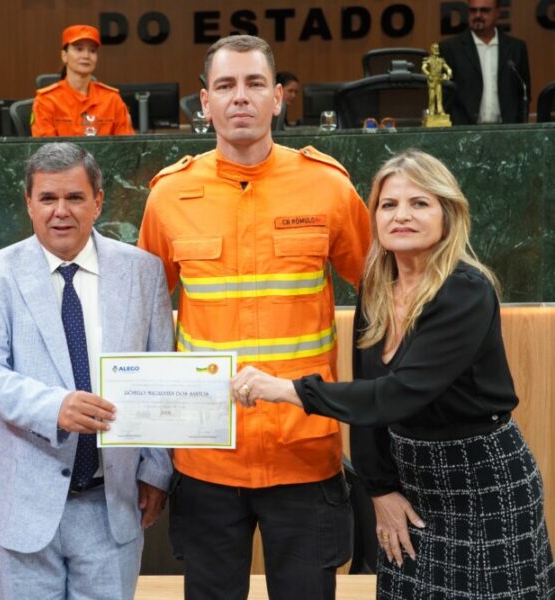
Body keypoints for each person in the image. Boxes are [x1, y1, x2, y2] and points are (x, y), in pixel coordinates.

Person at [232, 149, 555, 599]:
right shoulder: (376, 288)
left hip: (483, 482)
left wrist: (287, 390)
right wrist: (380, 490)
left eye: (419, 203)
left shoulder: (466, 290)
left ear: (448, 213)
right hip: (409, 482)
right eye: (389, 205)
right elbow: (369, 399)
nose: (401, 215)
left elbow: (397, 395)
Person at [137, 35, 371, 600]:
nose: (239, 97)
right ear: (204, 102)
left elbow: (383, 297)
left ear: (277, 99)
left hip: (305, 451)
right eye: (225, 86)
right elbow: (140, 325)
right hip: (207, 459)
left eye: (254, 84)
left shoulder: (329, 187)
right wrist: (149, 456)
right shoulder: (168, 196)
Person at [0, 142, 173, 600]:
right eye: (48, 198)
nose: (61, 211)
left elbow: (161, 374)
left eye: (74, 198)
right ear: (29, 204)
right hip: (21, 507)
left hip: (111, 504)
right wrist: (55, 406)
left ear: (98, 201)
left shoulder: (143, 272)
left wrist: (156, 470)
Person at [31, 25, 134, 137]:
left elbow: (127, 148)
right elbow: (47, 151)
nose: (86, 56)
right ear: (64, 56)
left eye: (92, 50)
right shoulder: (46, 101)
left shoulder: (112, 99)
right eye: (79, 49)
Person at [439, 0, 530, 124]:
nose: (478, 15)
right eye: (473, 10)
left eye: (484, 10)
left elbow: (524, 93)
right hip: (464, 133)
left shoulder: (516, 49)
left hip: (507, 132)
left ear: (498, 13)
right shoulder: (450, 49)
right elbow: (444, 98)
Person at [421, 43, 453, 117]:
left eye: (437, 48)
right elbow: (423, 68)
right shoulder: (429, 59)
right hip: (432, 80)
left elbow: (447, 68)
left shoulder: (441, 60)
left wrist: (449, 73)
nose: (436, 50)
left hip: (439, 80)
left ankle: (440, 111)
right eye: (435, 48)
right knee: (432, 97)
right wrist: (428, 75)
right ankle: (431, 112)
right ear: (432, 49)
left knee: (439, 97)